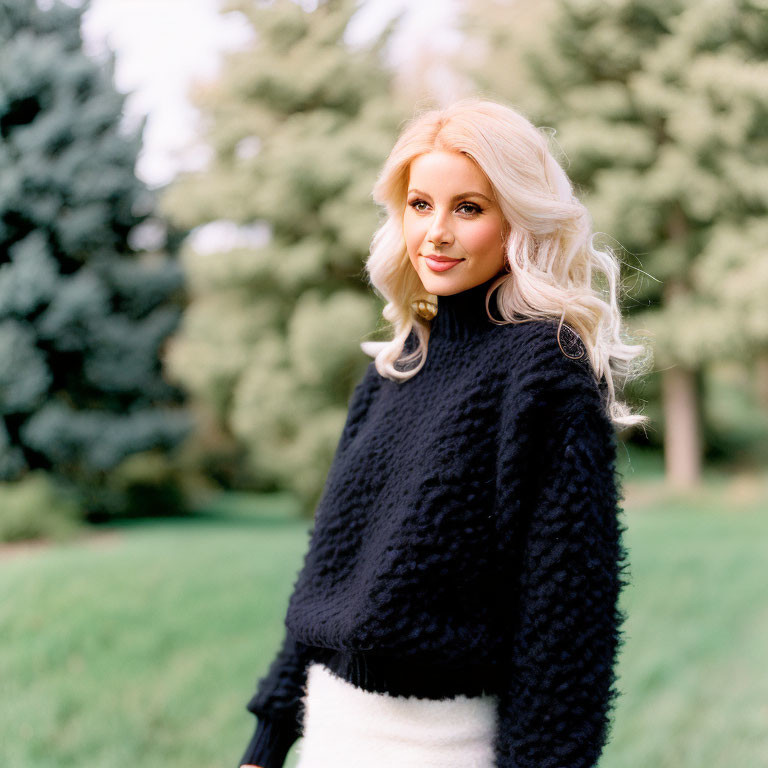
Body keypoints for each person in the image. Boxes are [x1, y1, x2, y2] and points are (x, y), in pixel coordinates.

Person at [237, 96, 650, 768]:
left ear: (516, 218)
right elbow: (329, 569)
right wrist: (269, 736)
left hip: (440, 748)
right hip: (331, 737)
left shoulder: (545, 372)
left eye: (468, 207)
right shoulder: (394, 367)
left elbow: (565, 624)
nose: (436, 231)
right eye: (420, 204)